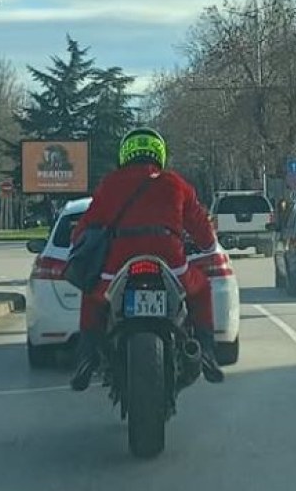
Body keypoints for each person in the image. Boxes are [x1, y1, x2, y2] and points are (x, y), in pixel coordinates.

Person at [69, 127, 225, 391]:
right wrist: (206, 244)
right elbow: (203, 233)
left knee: (93, 295)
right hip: (170, 261)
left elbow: (82, 231)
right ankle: (207, 350)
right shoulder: (176, 183)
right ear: (159, 153)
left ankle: (87, 355)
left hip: (118, 264)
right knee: (201, 288)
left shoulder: (110, 183)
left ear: (125, 154)